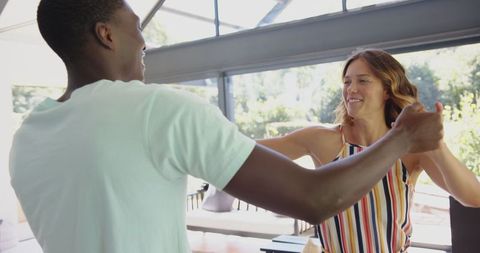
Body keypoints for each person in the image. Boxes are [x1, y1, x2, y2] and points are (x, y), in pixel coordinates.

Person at [8, 1, 443, 252]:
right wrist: (403, 135)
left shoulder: (26, 138)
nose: (145, 42)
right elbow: (316, 199)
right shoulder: (159, 109)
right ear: (107, 35)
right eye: (137, 28)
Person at [258, 49, 480, 252]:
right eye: (347, 82)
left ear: (387, 90)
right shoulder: (322, 140)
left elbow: (473, 197)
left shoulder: (409, 150)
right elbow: (249, 153)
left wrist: (437, 145)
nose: (351, 89)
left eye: (363, 81)